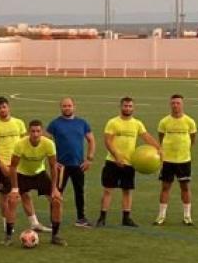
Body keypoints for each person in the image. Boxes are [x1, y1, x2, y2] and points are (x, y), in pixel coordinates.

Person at [97, 96, 151, 227]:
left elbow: (146, 137)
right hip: (112, 162)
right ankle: (102, 217)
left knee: (127, 191)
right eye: (125, 106)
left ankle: (126, 218)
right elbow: (107, 141)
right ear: (121, 107)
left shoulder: (137, 123)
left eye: (130, 106)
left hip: (129, 163)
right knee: (108, 190)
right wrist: (116, 156)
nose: (127, 108)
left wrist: (159, 148)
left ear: (133, 108)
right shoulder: (113, 122)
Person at [45, 97, 94, 229]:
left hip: (78, 165)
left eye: (69, 105)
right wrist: (53, 162)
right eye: (64, 106)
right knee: (57, 193)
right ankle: (53, 220)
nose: (67, 108)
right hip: (62, 167)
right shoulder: (55, 124)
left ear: (74, 106)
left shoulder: (82, 123)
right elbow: (45, 142)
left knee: (79, 192)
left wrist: (89, 159)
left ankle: (81, 218)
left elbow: (91, 140)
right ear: (60, 108)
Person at [0, 96, 28, 244]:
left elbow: (24, 143)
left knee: (20, 194)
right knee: (4, 196)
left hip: (19, 165)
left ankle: (33, 221)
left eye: (4, 107)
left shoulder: (19, 123)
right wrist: (2, 165)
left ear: (9, 107)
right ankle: (6, 222)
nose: (2, 110)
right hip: (3, 164)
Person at [14, 118, 64, 244]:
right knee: (21, 197)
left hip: (39, 173)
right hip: (22, 173)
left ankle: (55, 235)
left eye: (38, 131)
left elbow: (53, 167)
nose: (35, 134)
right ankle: (30, 225)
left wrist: (54, 189)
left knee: (57, 200)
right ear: (28, 132)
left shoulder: (48, 144)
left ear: (42, 132)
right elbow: (13, 167)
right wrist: (14, 189)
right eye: (32, 131)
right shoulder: (20, 144)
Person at [155, 93, 198, 226]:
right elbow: (161, 138)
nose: (175, 105)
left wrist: (185, 150)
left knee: (185, 187)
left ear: (182, 104)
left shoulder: (189, 121)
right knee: (165, 187)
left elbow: (192, 139)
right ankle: (161, 216)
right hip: (168, 160)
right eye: (173, 103)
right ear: (170, 104)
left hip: (184, 160)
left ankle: (187, 216)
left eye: (178, 103)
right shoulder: (164, 121)